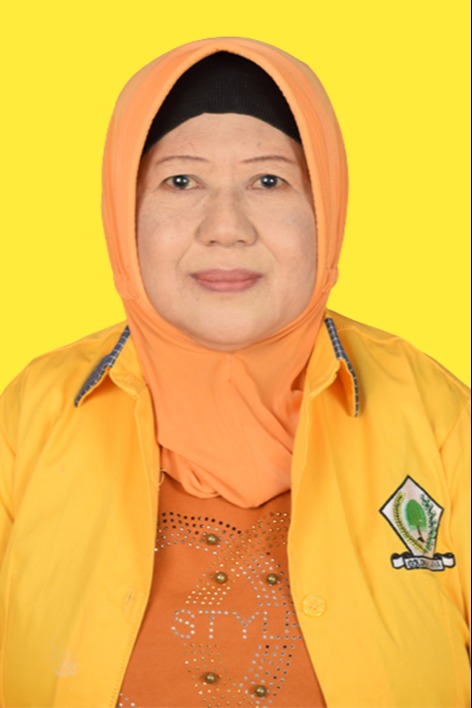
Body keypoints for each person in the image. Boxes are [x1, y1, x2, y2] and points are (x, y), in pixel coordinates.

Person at [0, 37, 469, 708]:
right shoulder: (31, 417)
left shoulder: (439, 420)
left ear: (326, 208)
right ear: (124, 213)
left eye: (269, 181)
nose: (225, 227)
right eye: (181, 181)